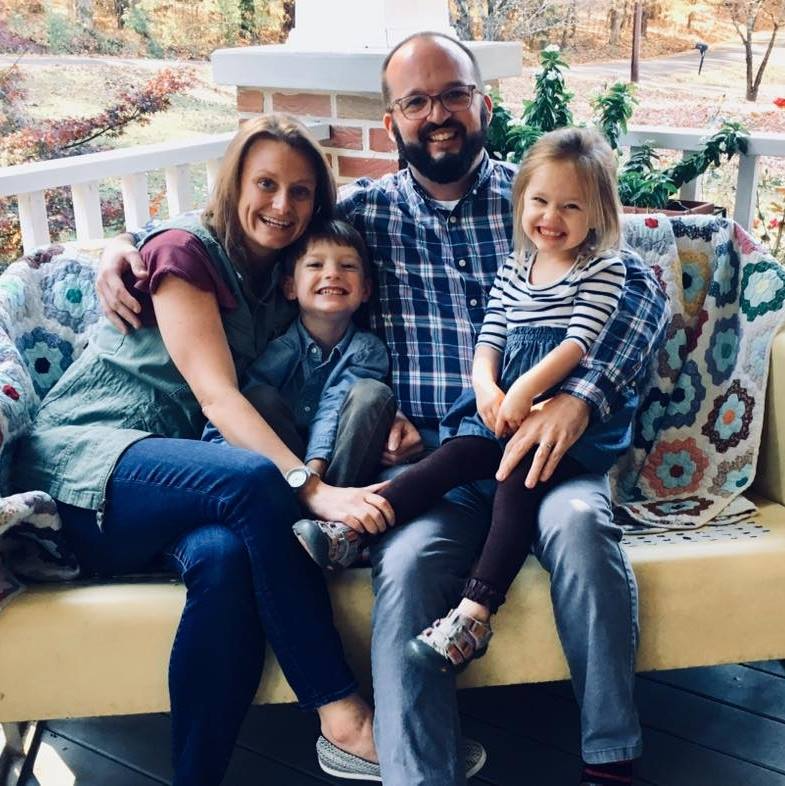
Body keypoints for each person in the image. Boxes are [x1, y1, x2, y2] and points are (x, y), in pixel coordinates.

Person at [96, 32, 670, 786]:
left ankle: (609, 758)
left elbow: (646, 289)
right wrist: (126, 244)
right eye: (415, 101)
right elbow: (237, 228)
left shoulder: (539, 197)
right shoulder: (363, 213)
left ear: (482, 104)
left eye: (453, 95)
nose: (437, 114)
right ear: (392, 120)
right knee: (400, 569)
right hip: (438, 461)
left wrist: (579, 400)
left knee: (580, 531)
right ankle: (412, 772)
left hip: (549, 452)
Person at [13, 114, 395, 786]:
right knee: (251, 482)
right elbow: (218, 399)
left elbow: (317, 367)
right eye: (266, 184)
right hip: (88, 461)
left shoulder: (277, 283)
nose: (282, 205)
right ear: (233, 183)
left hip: (167, 489)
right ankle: (340, 713)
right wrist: (315, 489)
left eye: (301, 192)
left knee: (224, 559)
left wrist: (396, 421)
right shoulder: (187, 251)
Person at [294, 126, 636, 677]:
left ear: (597, 215)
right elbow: (491, 336)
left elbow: (577, 342)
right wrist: (487, 386)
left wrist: (524, 393)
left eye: (571, 206)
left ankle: (475, 613)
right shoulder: (515, 266)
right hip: (506, 407)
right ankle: (352, 531)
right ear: (520, 199)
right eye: (540, 201)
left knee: (515, 477)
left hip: (562, 426)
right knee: (451, 457)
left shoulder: (603, 269)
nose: (551, 217)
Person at [201, 218, 396, 492]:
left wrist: (315, 473)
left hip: (341, 464)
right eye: (316, 265)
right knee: (258, 396)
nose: (332, 274)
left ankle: (332, 512)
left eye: (348, 266)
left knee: (371, 393)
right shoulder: (280, 347)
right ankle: (296, 504)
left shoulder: (368, 351)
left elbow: (334, 404)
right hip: (282, 460)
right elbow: (243, 404)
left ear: (365, 290)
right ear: (290, 287)